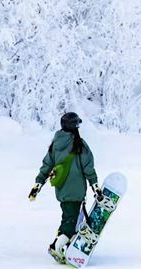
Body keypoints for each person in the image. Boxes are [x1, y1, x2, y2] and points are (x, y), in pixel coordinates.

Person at [29, 112, 102, 261]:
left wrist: (38, 184)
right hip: (76, 191)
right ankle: (56, 246)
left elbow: (46, 165)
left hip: (62, 190)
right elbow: (89, 169)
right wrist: (96, 188)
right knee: (70, 222)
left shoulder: (55, 144)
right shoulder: (80, 144)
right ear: (75, 126)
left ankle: (66, 247)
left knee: (69, 219)